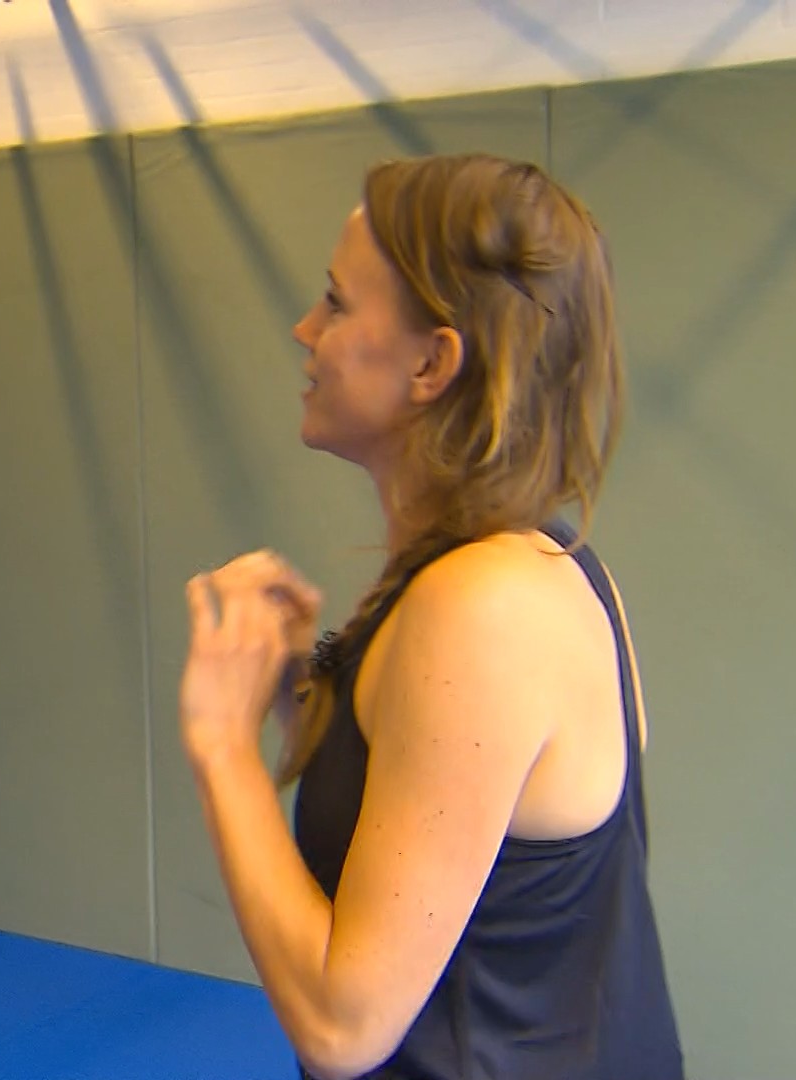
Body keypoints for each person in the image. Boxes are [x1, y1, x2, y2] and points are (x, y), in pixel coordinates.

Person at [179, 153, 683, 1080]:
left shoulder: (483, 607)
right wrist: (298, 689)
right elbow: (464, 851)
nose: (304, 328)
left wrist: (221, 746)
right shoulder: (522, 566)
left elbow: (341, 1025)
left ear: (431, 362)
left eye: (336, 303)